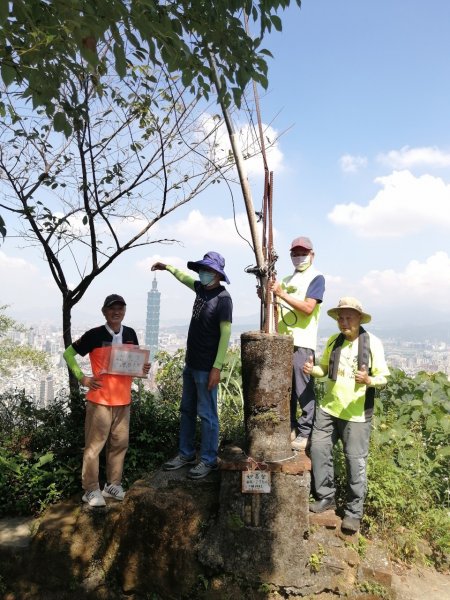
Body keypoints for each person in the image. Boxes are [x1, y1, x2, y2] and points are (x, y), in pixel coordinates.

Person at [304, 297, 390, 533]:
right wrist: (313, 370)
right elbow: (325, 369)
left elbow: (384, 378)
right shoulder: (334, 341)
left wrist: (369, 379)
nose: (344, 322)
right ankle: (325, 497)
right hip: (329, 408)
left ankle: (353, 512)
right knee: (319, 449)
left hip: (357, 415)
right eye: (340, 317)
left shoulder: (372, 343)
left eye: (348, 317)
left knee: (355, 462)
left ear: (359, 318)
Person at [63, 294, 150, 507]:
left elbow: (130, 366)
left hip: (123, 400)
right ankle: (90, 489)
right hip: (100, 400)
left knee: (120, 444)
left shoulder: (130, 334)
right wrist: (83, 378)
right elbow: (68, 354)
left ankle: (113, 484)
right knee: (94, 447)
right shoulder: (94, 335)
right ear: (104, 311)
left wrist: (142, 369)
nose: (116, 311)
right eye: (112, 308)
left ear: (125, 311)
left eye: (121, 307)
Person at [151, 251, 233, 479]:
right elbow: (185, 278)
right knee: (187, 410)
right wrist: (167, 267)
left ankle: (208, 460)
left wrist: (217, 367)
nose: (204, 273)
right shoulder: (200, 290)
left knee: (207, 414)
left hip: (207, 366)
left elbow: (226, 333)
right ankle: (186, 453)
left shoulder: (223, 298)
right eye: (202, 269)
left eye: (209, 270)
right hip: (191, 362)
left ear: (218, 273)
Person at [269, 236, 325, 450]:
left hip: (302, 341)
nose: (299, 257)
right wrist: (269, 294)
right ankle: (290, 426)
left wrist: (281, 294)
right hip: (283, 341)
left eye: (303, 253)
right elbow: (275, 303)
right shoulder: (285, 279)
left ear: (312, 255)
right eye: (295, 253)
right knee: (287, 388)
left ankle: (305, 431)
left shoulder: (316, 277)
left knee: (303, 388)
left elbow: (309, 307)